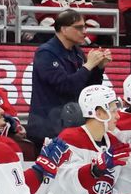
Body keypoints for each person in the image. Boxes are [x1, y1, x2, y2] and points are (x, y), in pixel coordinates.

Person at [37, 85, 131, 194]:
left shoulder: (114, 144)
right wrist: (97, 168)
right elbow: (70, 182)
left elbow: (110, 189)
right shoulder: (68, 138)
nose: (118, 115)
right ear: (98, 112)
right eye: (113, 110)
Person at [28, 10, 110, 151]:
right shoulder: (45, 53)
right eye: (78, 27)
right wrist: (89, 65)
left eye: (85, 27)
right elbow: (65, 86)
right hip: (48, 128)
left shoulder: (77, 52)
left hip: (71, 125)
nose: (84, 31)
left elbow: (88, 91)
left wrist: (98, 68)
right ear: (64, 29)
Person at [31, 0, 100, 44]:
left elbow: (93, 21)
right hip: (55, 46)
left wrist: (85, 41)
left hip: (83, 44)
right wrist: (72, 40)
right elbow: (46, 25)